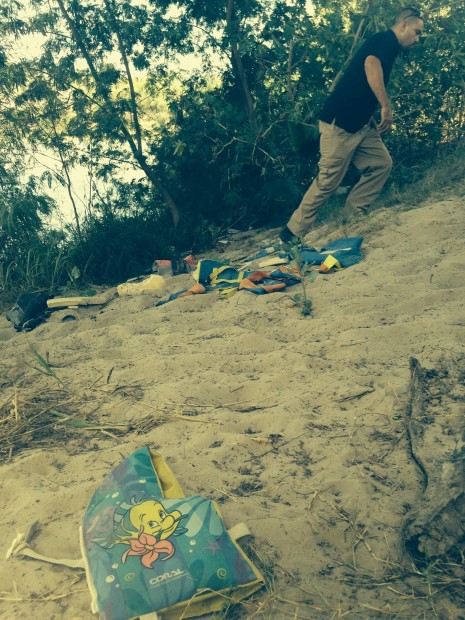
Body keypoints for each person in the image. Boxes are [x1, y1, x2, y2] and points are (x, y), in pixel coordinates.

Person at [279, 7, 424, 245]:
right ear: (403, 25)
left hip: (361, 126)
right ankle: (291, 233)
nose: (417, 39)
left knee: (380, 164)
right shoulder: (386, 40)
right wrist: (385, 106)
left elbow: (359, 83)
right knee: (328, 182)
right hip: (340, 125)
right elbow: (370, 64)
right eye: (417, 32)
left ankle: (353, 214)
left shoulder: (388, 45)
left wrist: (369, 115)